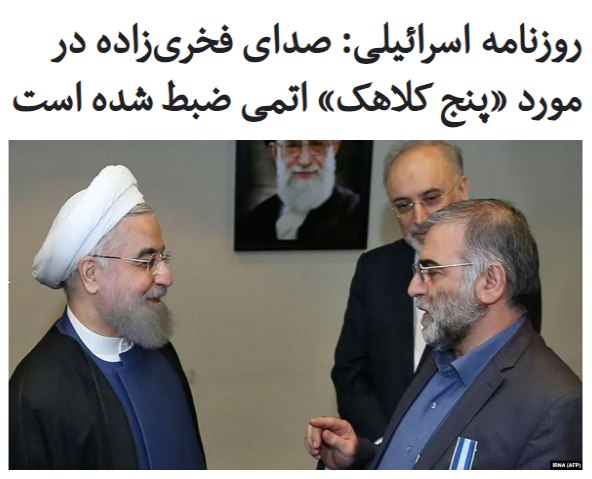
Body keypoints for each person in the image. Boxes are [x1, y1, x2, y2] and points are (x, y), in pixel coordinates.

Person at [306, 199, 581, 470]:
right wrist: (358, 458)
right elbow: (421, 459)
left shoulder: (556, 405)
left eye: (432, 271)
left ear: (490, 282)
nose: (413, 288)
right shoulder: (439, 355)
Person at [331, 141, 542, 441]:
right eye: (403, 205)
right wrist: (386, 445)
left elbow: (513, 367)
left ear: (462, 189)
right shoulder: (374, 268)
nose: (419, 218)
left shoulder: (500, 266)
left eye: (430, 198)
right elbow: (350, 372)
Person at [9, 165, 207, 469]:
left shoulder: (160, 351)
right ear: (91, 274)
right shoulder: (37, 392)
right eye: (146, 261)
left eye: (162, 258)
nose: (166, 276)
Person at [241, 140, 365, 249]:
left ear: (334, 148)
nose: (304, 161)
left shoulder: (356, 212)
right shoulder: (254, 221)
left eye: (316, 145)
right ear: (275, 152)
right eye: (292, 146)